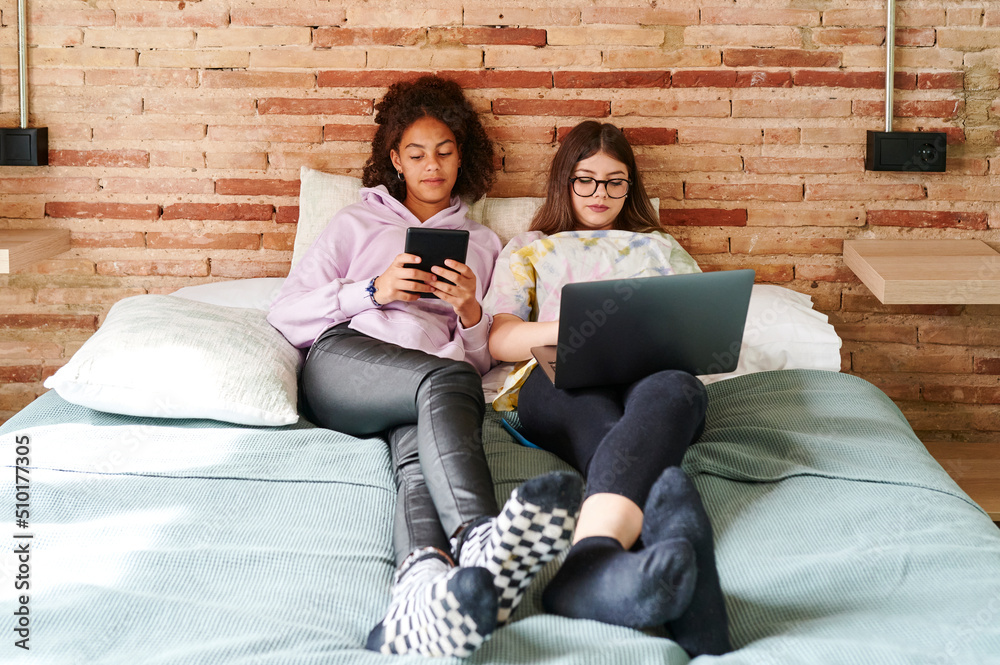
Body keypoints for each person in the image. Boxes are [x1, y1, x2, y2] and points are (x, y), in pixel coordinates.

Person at [267, 76, 582, 658]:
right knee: (448, 377)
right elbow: (286, 312)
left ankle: (419, 597)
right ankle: (480, 536)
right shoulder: (353, 225)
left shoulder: (482, 242)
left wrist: (468, 311)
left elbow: (486, 352)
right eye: (416, 154)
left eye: (444, 152)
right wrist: (372, 288)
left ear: (462, 156)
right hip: (346, 367)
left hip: (428, 391)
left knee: (419, 460)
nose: (432, 166)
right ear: (395, 159)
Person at [484, 121, 732, 657]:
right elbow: (501, 338)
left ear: (631, 186)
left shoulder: (661, 248)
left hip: (651, 376)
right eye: (586, 181)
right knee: (597, 420)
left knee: (677, 392)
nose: (601, 194)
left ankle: (590, 566)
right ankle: (661, 554)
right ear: (563, 183)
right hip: (557, 377)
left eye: (615, 182)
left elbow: (699, 323)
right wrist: (579, 326)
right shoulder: (531, 249)